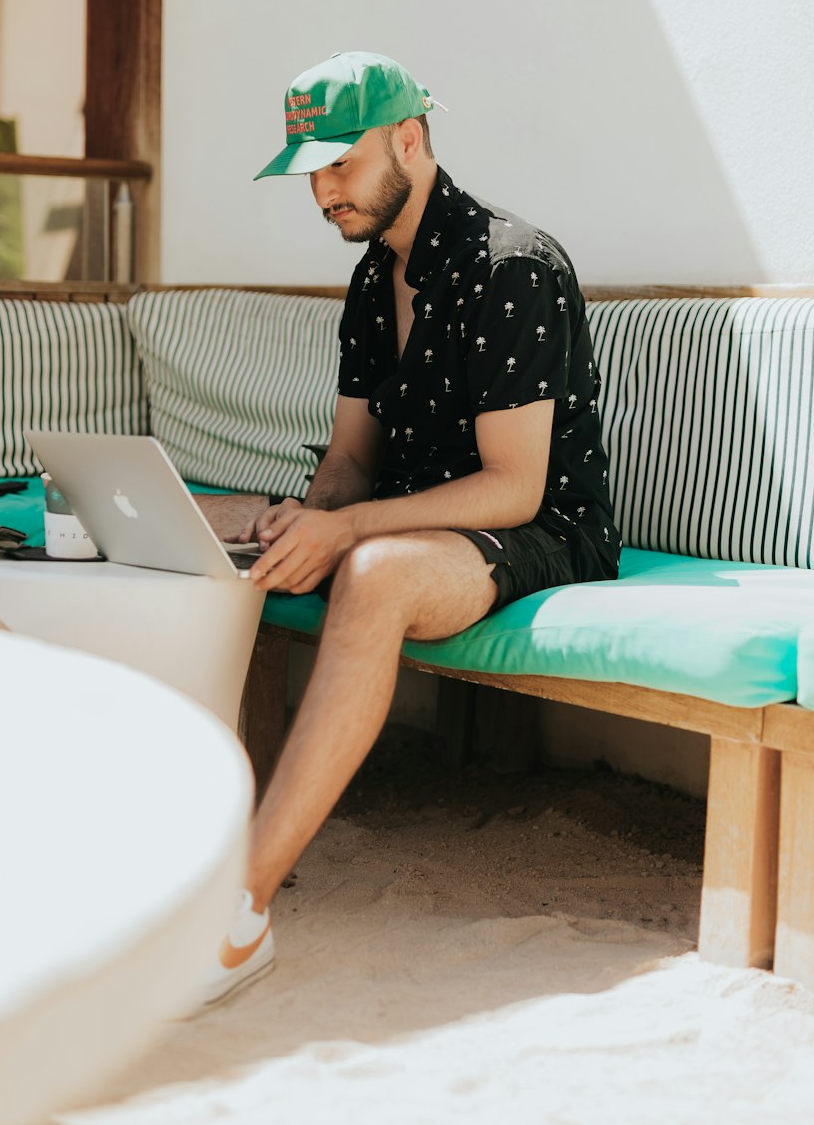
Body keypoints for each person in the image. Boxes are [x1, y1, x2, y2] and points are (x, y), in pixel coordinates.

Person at [199, 50, 620, 1006]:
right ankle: (173, 837)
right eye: (311, 172)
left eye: (339, 165)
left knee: (377, 568)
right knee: (218, 523)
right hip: (421, 522)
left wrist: (350, 536)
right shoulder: (369, 283)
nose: (322, 193)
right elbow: (351, 460)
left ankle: (240, 907)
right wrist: (308, 518)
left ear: (411, 140)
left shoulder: (513, 266)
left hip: (541, 532)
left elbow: (514, 488)